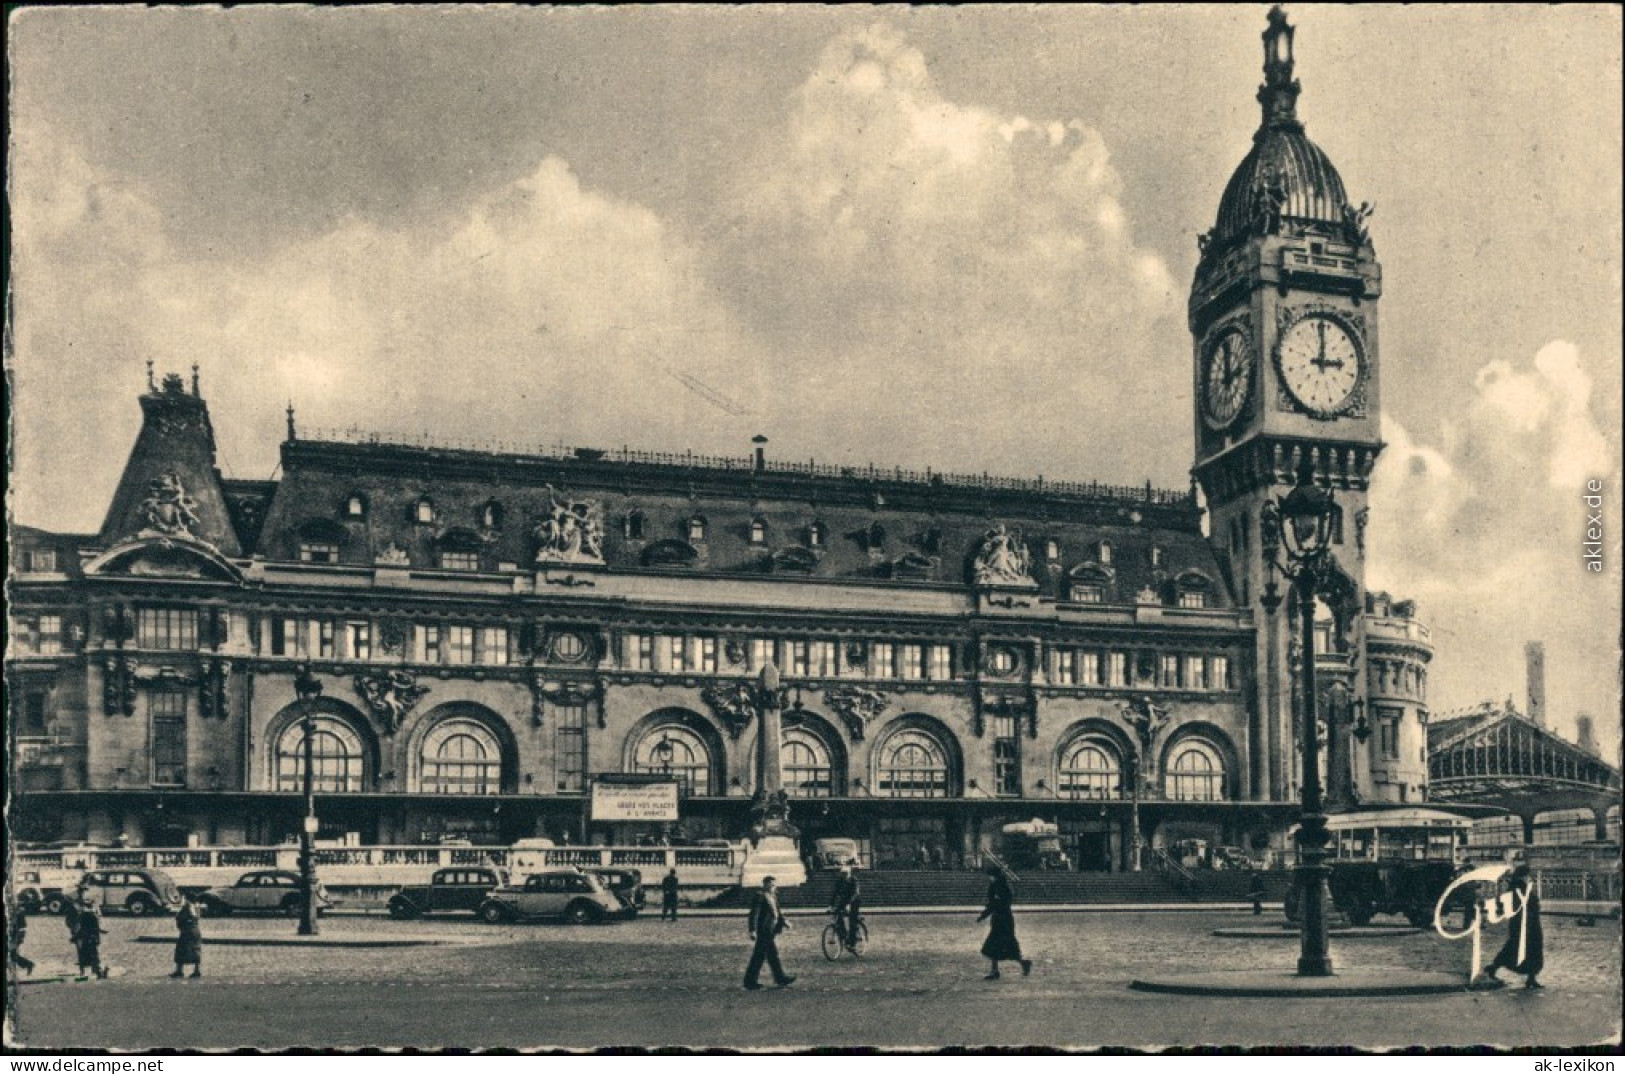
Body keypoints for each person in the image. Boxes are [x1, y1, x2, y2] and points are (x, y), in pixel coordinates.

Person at [1481, 865, 1545, 990]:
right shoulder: (1516, 887)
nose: (1529, 877)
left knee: (1533, 949)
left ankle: (1531, 978)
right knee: (1514, 948)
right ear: (1523, 875)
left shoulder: (1521, 886)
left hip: (1531, 923)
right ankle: (1493, 967)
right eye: (1527, 875)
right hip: (1522, 923)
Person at [976, 863, 1031, 980]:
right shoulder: (995, 886)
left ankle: (1023, 963)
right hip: (999, 920)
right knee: (995, 945)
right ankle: (995, 970)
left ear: (995, 876)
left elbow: (997, 904)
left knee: (1004, 945)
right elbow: (993, 903)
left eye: (990, 876)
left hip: (1004, 921)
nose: (989, 878)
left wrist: (984, 915)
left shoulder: (1001, 887)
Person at [743, 876, 795, 990]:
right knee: (763, 956)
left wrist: (784, 921)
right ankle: (752, 982)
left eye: (774, 885)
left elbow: (777, 912)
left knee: (768, 956)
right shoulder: (760, 896)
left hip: (770, 931)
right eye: (771, 885)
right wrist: (752, 930)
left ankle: (779, 978)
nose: (773, 887)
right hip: (764, 931)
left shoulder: (773, 896)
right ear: (765, 885)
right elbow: (754, 914)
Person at [72, 899, 109, 979]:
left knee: (85, 956)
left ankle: (87, 972)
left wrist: (74, 938)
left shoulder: (83, 916)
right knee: (94, 956)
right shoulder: (94, 915)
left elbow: (82, 929)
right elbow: (97, 928)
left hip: (86, 939)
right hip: (93, 939)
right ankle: (98, 971)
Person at [829, 865, 862, 950]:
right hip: (844, 900)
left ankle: (852, 943)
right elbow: (835, 893)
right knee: (837, 914)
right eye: (842, 873)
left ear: (849, 873)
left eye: (846, 873)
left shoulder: (854, 881)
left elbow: (855, 893)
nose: (844, 875)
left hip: (854, 901)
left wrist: (849, 904)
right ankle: (843, 934)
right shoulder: (839, 881)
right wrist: (831, 905)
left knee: (852, 920)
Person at [172, 896, 204, 978]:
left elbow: (180, 917)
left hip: (187, 931)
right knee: (195, 949)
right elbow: (197, 917)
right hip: (196, 931)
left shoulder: (187, 907)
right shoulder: (196, 907)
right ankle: (197, 970)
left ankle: (179, 970)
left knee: (180, 949)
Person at [8, 904, 35, 976]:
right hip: (12, 937)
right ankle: (28, 964)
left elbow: (22, 928)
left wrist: (18, 939)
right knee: (12, 955)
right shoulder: (15, 913)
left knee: (10, 953)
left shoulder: (19, 914)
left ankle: (28, 964)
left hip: (15, 937)